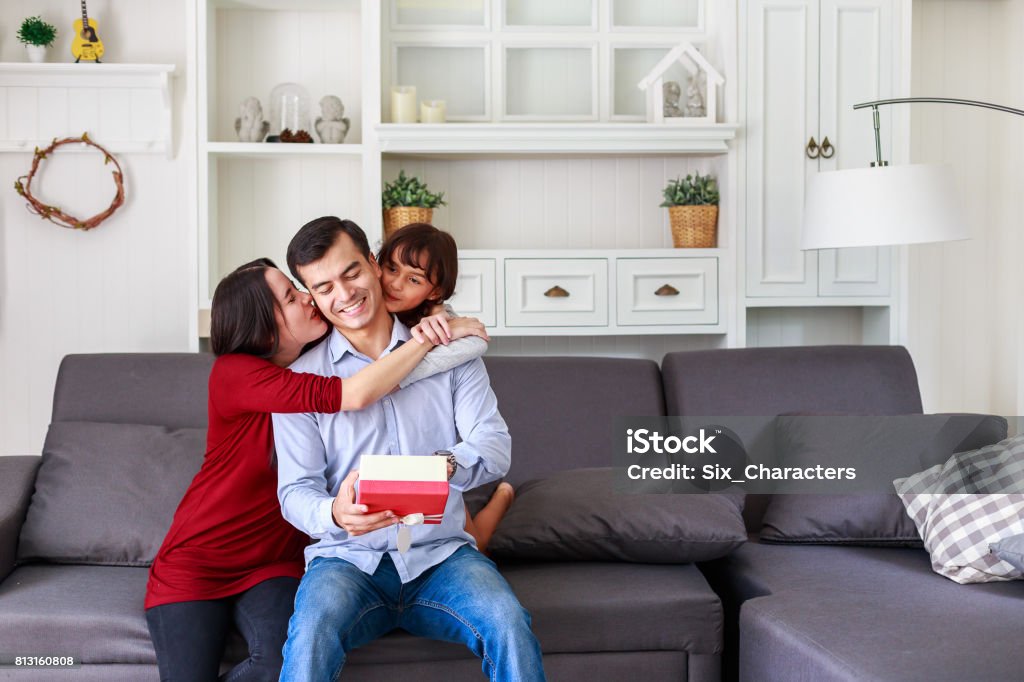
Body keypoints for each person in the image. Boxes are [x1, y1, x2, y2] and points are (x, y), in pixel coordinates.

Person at [144, 258, 490, 682]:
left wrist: (441, 320)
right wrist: (430, 338)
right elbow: (359, 391)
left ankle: (502, 497)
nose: (310, 298)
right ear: (264, 324)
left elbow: (398, 344)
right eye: (292, 297)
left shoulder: (319, 353)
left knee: (282, 664)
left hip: (275, 562)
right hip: (200, 559)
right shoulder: (238, 373)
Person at [273, 217, 546, 681]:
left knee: (508, 621)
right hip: (348, 559)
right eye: (324, 287)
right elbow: (294, 490)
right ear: (313, 297)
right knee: (311, 630)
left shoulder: (452, 352)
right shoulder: (302, 383)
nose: (344, 295)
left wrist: (444, 465)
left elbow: (495, 447)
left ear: (376, 266)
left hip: (441, 555)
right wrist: (336, 514)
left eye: (352, 273)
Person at [378, 222, 515, 552]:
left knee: (475, 544)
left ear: (434, 292)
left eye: (414, 279)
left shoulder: (442, 328)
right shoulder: (354, 314)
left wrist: (431, 338)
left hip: (430, 478)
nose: (394, 284)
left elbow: (475, 343)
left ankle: (505, 494)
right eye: (390, 268)